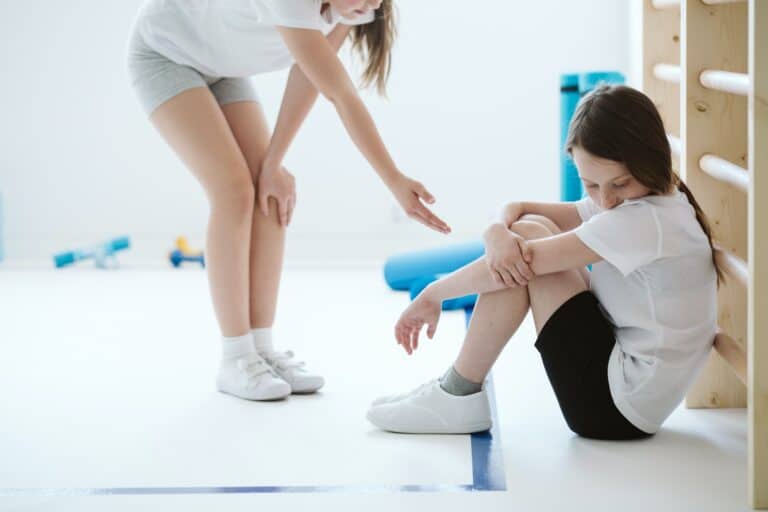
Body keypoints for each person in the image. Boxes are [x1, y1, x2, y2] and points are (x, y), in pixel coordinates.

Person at [126, 0, 451, 401]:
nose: (371, 5)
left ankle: (261, 349)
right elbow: (342, 96)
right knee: (233, 192)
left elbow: (308, 75)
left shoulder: (355, 6)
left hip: (221, 66)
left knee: (270, 192)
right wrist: (395, 180)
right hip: (165, 52)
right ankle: (235, 357)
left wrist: (274, 163)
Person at [367, 85, 723, 440]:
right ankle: (457, 390)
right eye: (591, 185)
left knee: (525, 244)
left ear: (648, 160)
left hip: (612, 409)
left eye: (620, 183)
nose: (606, 200)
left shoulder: (643, 221)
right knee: (527, 230)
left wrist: (434, 293)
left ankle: (457, 392)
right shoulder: (657, 202)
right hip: (634, 395)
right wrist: (496, 229)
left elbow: (525, 258)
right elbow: (519, 208)